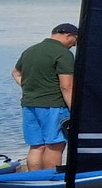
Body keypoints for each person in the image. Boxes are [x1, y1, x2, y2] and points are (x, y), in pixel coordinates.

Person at [12, 22, 78, 171]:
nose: (74, 45)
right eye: (75, 39)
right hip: (54, 105)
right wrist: (75, 110)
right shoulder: (63, 54)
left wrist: (30, 87)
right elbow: (66, 86)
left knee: (36, 146)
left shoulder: (30, 51)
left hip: (29, 104)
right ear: (68, 35)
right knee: (55, 145)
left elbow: (16, 73)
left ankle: (34, 179)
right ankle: (51, 178)